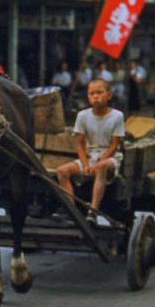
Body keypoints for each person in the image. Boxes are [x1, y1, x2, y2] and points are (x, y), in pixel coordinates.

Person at [56, 79, 125, 225]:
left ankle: (92, 211)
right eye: (91, 93)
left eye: (99, 93)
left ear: (109, 95)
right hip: (89, 156)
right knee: (62, 171)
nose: (95, 97)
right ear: (88, 96)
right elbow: (80, 144)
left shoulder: (117, 116)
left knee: (101, 167)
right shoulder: (83, 116)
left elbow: (114, 145)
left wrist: (100, 161)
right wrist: (86, 164)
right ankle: (72, 210)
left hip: (110, 158)